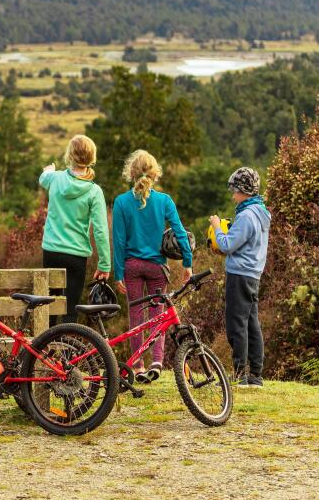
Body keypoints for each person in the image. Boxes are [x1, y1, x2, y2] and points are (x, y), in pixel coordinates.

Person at [112, 150, 193, 383]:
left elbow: (118, 241)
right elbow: (180, 233)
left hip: (132, 266)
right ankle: (157, 361)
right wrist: (187, 263)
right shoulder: (165, 201)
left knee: (136, 316)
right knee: (159, 315)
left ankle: (137, 365)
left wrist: (118, 273)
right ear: (155, 173)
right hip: (158, 267)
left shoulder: (121, 202)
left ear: (131, 173)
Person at [39, 135, 111, 326]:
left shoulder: (55, 179)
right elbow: (101, 231)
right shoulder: (94, 191)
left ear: (70, 155)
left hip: (52, 251)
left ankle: (46, 351)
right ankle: (65, 353)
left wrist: (49, 170)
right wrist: (104, 264)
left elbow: (43, 178)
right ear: (92, 158)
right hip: (76, 255)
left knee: (50, 306)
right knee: (70, 309)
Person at [209, 167, 270, 388]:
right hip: (254, 275)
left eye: (234, 191)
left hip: (239, 275)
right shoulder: (262, 212)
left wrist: (217, 227)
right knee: (252, 324)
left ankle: (238, 375)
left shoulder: (246, 216)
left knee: (237, 326)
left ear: (244, 191)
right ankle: (256, 375)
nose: (233, 196)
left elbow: (226, 245)